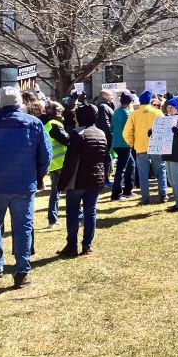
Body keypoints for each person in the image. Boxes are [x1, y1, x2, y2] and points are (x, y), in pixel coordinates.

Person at [0, 86, 51, 288]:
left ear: (0, 103)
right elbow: (45, 155)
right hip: (24, 184)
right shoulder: (34, 123)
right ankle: (22, 271)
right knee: (23, 227)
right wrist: (38, 175)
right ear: (19, 102)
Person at [56, 104, 108, 258]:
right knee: (90, 211)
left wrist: (62, 182)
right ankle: (87, 245)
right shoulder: (101, 133)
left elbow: (70, 161)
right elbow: (105, 159)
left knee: (72, 212)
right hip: (96, 178)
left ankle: (72, 245)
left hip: (77, 179)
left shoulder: (77, 133)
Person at [123, 90, 166, 204]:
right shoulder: (158, 112)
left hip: (141, 146)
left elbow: (126, 132)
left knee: (143, 174)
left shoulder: (134, 113)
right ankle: (163, 194)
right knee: (161, 170)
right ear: (150, 101)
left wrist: (132, 143)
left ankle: (145, 198)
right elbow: (164, 129)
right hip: (156, 145)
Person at [42, 102, 68, 229]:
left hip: (52, 164)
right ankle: (77, 215)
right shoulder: (55, 124)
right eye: (60, 111)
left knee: (55, 192)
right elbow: (66, 140)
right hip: (62, 162)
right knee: (71, 190)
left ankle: (52, 219)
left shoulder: (44, 125)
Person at [110, 92, 135, 200]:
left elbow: (112, 127)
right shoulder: (127, 113)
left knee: (131, 165)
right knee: (122, 169)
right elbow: (131, 128)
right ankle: (116, 194)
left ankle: (127, 190)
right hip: (124, 144)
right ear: (130, 102)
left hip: (116, 143)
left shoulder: (116, 112)